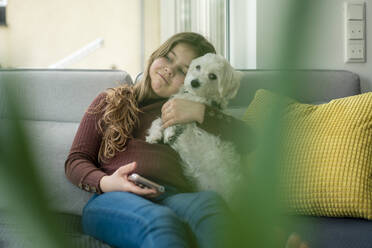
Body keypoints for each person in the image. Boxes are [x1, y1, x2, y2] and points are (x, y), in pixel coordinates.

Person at [65, 32, 309, 248]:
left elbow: (248, 139)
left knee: (208, 205)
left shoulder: (189, 110)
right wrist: (108, 182)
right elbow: (76, 161)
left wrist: (200, 113)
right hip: (113, 198)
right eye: (169, 58)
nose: (170, 69)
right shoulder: (109, 101)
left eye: (183, 70)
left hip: (173, 196)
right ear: (156, 56)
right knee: (160, 222)